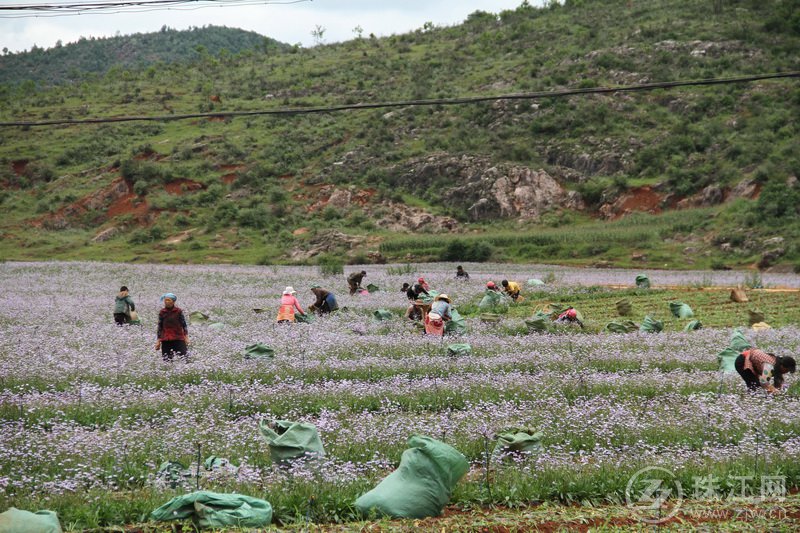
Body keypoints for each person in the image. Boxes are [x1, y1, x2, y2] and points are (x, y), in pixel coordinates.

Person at [155, 293, 188, 362]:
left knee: (184, 358)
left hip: (178, 338)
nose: (167, 302)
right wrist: (158, 341)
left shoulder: (178, 311)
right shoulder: (162, 312)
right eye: (165, 300)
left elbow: (184, 324)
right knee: (167, 361)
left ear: (173, 301)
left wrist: (186, 337)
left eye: (168, 300)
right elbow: (160, 327)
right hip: (166, 339)